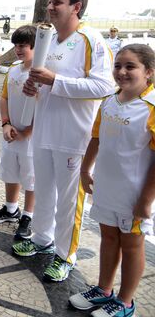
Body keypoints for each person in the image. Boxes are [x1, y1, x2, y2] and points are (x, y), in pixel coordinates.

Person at [12, 0, 115, 282]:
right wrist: (35, 88)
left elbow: (104, 87)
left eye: (57, 2)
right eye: (50, 2)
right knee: (43, 189)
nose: (50, 6)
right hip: (44, 131)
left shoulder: (90, 40)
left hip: (74, 136)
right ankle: (43, 239)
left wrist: (54, 80)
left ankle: (65, 254)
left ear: (76, 7)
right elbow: (45, 84)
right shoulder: (50, 41)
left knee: (70, 198)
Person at [69, 44, 154, 317]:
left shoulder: (151, 107)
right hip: (106, 185)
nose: (122, 72)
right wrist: (85, 170)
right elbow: (96, 137)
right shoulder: (109, 100)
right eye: (118, 66)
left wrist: (146, 200)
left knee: (131, 244)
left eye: (131, 67)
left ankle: (125, 302)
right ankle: (103, 290)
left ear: (149, 72)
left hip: (135, 192)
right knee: (108, 236)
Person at [0, 25, 37, 240]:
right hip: (11, 131)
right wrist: (5, 123)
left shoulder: (41, 73)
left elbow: (45, 107)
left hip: (31, 137)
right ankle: (11, 209)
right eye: (16, 45)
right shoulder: (15, 68)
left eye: (23, 45)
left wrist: (29, 132)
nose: (18, 50)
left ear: (35, 46)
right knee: (10, 170)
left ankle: (28, 215)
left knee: (31, 177)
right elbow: (4, 97)